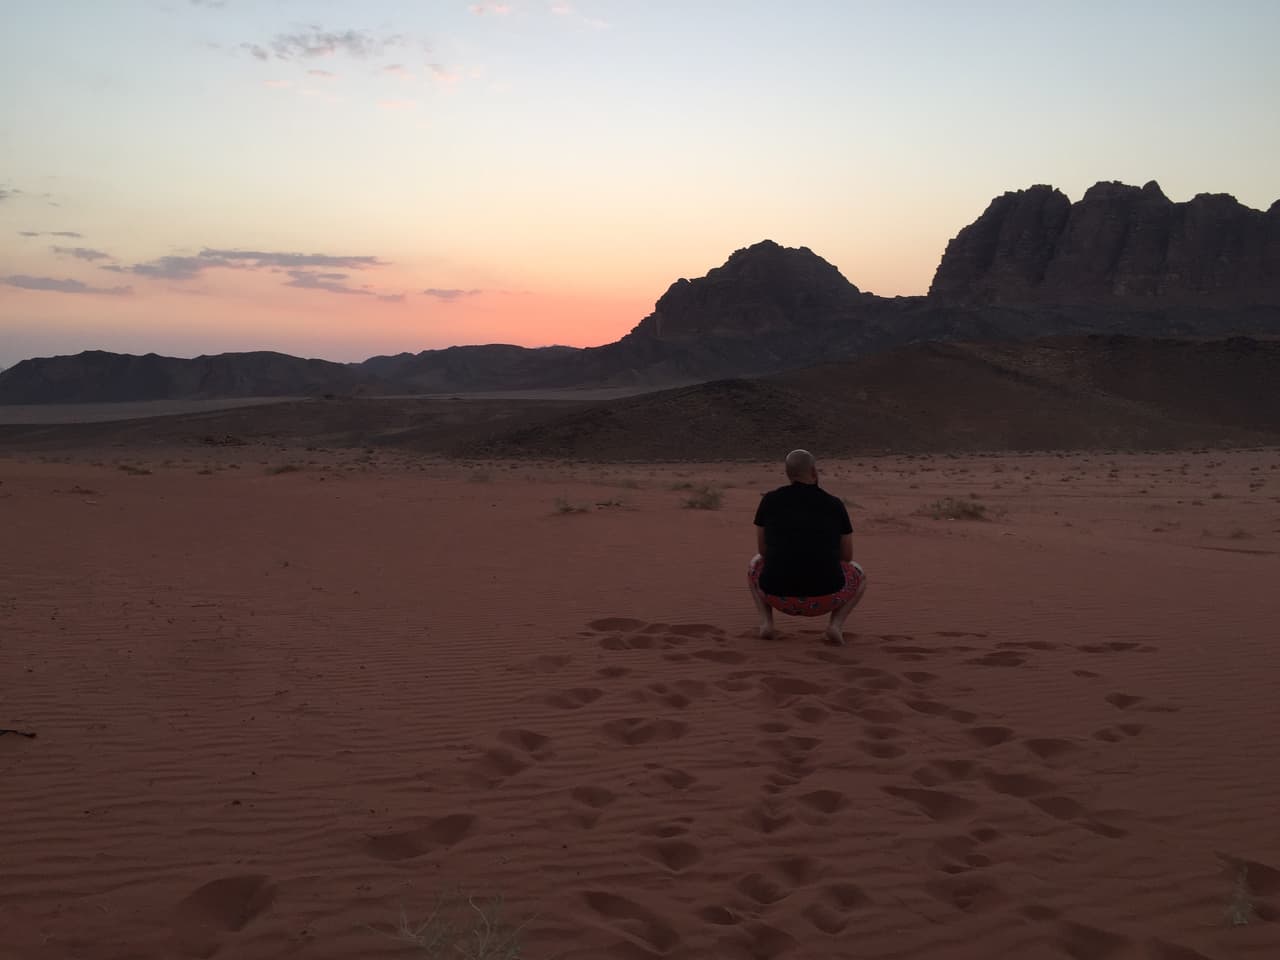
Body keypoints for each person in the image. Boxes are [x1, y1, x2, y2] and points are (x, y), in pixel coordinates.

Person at [749, 449, 868, 645]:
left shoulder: (769, 500)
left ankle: (766, 624)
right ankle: (835, 625)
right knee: (859, 573)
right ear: (814, 471)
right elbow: (847, 555)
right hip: (826, 598)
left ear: (788, 473)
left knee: (755, 562)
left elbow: (763, 550)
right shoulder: (834, 504)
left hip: (778, 596)